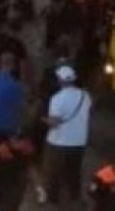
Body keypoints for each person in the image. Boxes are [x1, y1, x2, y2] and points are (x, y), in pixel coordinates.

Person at [41, 65, 91, 205]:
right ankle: (74, 198)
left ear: (60, 80)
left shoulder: (57, 98)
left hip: (58, 142)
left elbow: (55, 123)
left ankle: (52, 200)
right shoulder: (85, 96)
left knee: (53, 174)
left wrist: (43, 120)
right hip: (79, 142)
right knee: (73, 172)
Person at [0, 134, 35, 211]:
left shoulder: (26, 149)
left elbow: (28, 168)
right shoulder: (0, 149)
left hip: (15, 186)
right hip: (0, 183)